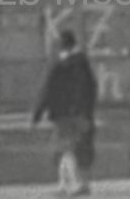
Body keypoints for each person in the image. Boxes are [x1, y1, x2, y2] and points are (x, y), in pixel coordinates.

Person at [30, 31, 97, 196]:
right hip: (80, 113)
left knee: (65, 149)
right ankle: (79, 183)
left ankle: (70, 184)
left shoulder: (57, 64)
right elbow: (91, 88)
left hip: (62, 114)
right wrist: (87, 112)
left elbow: (46, 89)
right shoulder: (83, 63)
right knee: (79, 148)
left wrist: (37, 114)